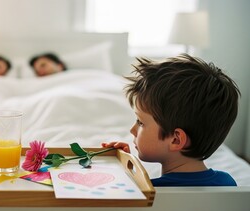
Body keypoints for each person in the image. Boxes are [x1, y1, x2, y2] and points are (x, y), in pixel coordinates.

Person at [102, 54, 240, 187]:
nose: (132, 130)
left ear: (176, 140)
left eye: (141, 122)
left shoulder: (148, 192)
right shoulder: (227, 183)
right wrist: (129, 162)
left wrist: (121, 169)